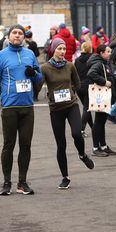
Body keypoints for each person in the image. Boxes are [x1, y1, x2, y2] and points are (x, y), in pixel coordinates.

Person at [0, 24, 42, 195]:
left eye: (20, 33)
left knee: (26, 145)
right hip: (9, 107)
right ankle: (6, 182)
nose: (17, 35)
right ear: (9, 36)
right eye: (14, 33)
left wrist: (34, 74)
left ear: (24, 37)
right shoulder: (0, 56)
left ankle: (22, 183)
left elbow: (39, 79)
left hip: (27, 108)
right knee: (8, 145)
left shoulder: (30, 54)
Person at [38, 38, 94, 189]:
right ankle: (65, 177)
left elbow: (77, 83)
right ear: (53, 50)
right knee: (61, 144)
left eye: (64, 49)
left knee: (77, 134)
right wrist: (33, 76)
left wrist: (71, 93)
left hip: (71, 106)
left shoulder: (70, 66)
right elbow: (37, 88)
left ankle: (82, 155)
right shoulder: (45, 68)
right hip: (56, 109)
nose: (62, 52)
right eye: (59, 49)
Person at [87, 44, 116, 156]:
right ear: (101, 53)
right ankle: (95, 148)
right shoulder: (98, 64)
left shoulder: (105, 63)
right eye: (108, 51)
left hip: (105, 96)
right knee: (98, 122)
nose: (110, 53)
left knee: (101, 122)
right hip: (100, 96)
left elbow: (111, 74)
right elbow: (91, 73)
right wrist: (103, 82)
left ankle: (103, 146)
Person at [74, 42, 93, 137]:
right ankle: (81, 129)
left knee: (87, 108)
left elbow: (75, 73)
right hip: (89, 85)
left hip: (79, 86)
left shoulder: (77, 60)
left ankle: (93, 128)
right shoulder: (92, 58)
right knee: (87, 108)